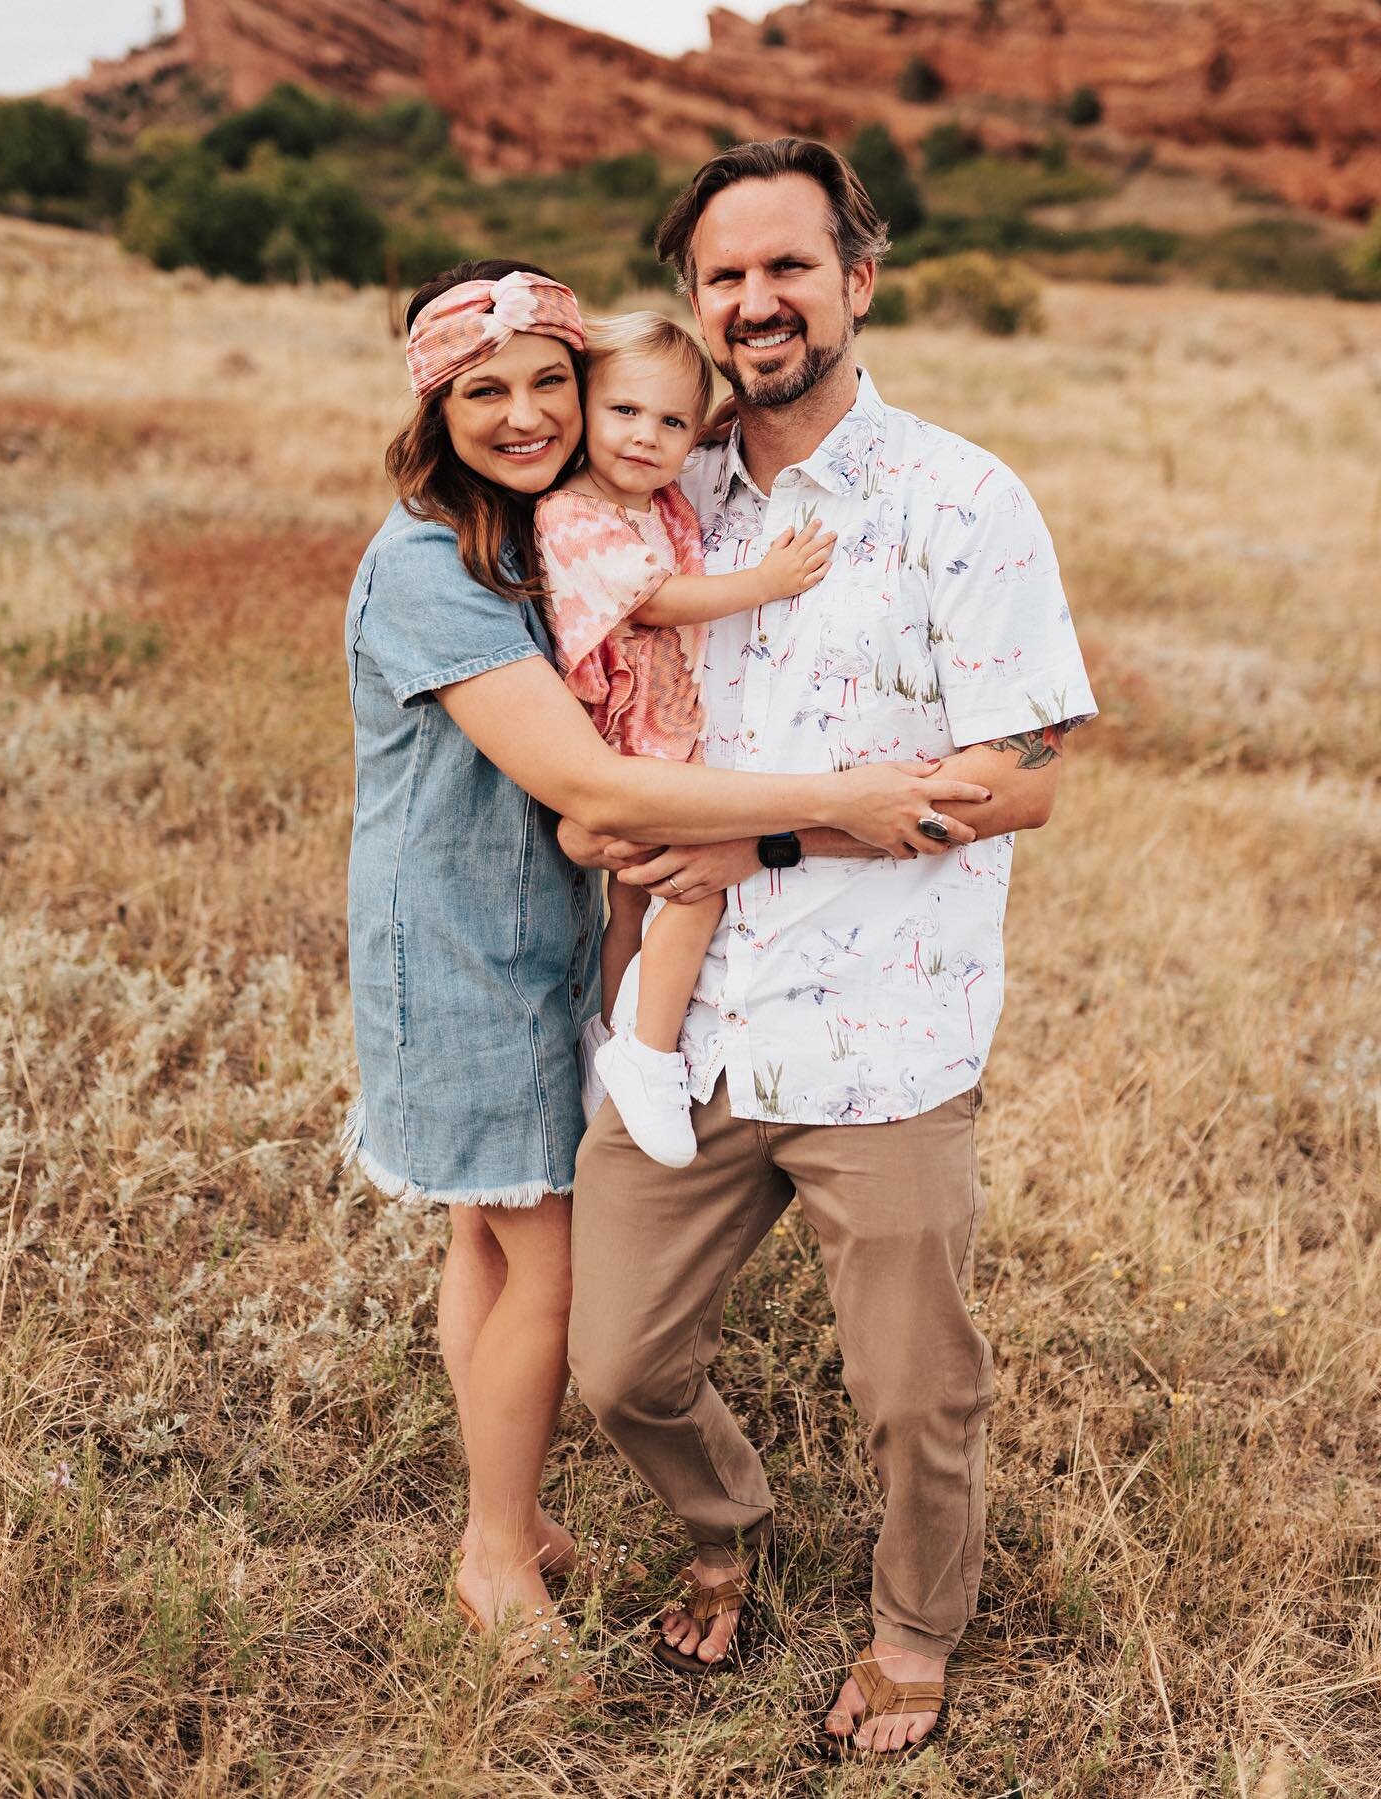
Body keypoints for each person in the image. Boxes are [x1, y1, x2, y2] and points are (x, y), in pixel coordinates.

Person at [340, 258, 995, 1678]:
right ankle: (498, 1549)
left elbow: (693, 432)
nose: (523, 413)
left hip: (528, 935)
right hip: (466, 954)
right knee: (554, 1271)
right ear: (429, 407)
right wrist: (828, 809)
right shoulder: (426, 564)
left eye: (545, 384)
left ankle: (498, 1507)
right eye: (483, 391)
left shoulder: (533, 526)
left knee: (485, 1233)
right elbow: (593, 784)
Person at [563, 138, 1097, 1755]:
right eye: (723, 274)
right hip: (688, 1021)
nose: (755, 299)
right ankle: (722, 1518)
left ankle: (915, 1629)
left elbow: (1030, 775)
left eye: (789, 265)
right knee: (621, 1361)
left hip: (885, 1030)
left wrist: (769, 834)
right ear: (693, 303)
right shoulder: (654, 497)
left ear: (857, 281)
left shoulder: (960, 496)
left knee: (917, 1391)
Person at [537, 311, 835, 1167]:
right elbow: (657, 600)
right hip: (632, 744)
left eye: (670, 423)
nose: (646, 436)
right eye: (624, 412)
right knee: (696, 886)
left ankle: (608, 1032)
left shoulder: (657, 495)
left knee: (632, 899)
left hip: (662, 731)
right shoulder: (574, 516)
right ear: (584, 410)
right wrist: (766, 582)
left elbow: (688, 423)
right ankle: (648, 1051)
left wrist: (712, 415)